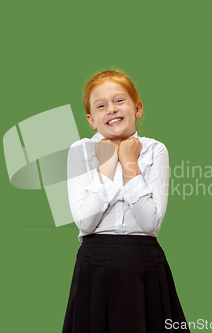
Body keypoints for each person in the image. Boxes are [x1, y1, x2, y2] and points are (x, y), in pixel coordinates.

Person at [62, 69, 190, 333]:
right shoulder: (81, 152)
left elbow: (149, 223)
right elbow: (86, 223)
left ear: (137, 108)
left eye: (119, 100)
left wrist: (130, 162)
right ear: (91, 120)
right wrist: (108, 162)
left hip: (143, 263)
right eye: (101, 105)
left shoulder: (155, 150)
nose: (111, 109)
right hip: (94, 265)